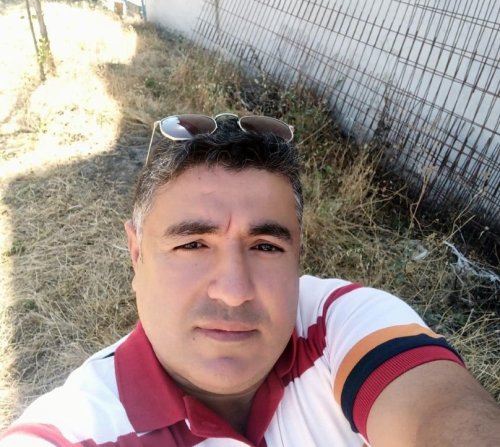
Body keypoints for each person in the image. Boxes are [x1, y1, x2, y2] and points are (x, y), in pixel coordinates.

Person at [1, 113, 499, 447]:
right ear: (137, 253)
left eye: (265, 246)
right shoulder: (78, 428)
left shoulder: (335, 322)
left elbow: (440, 413)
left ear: (297, 254)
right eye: (193, 244)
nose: (235, 291)